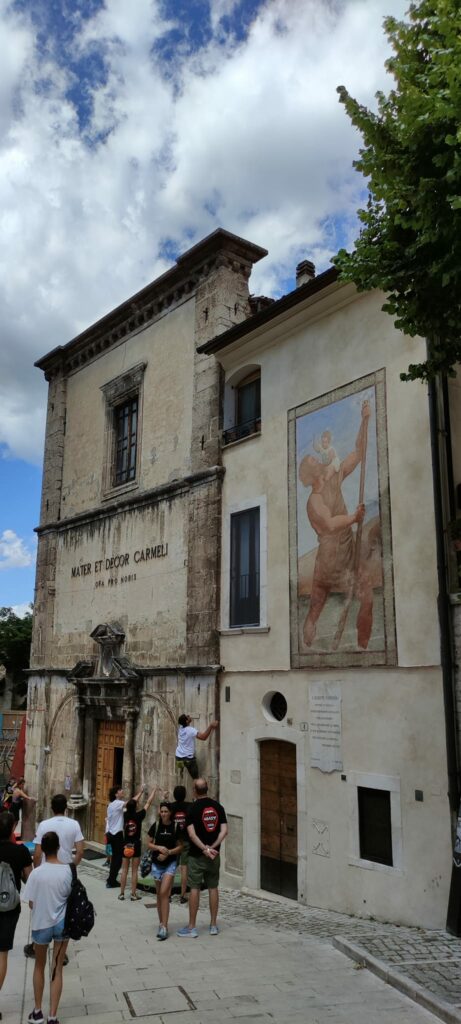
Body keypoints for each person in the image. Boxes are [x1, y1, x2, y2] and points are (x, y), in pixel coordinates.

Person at [299, 400, 373, 649]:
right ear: (313, 476)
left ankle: (363, 646)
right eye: (314, 462)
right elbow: (330, 525)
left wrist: (363, 421)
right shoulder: (314, 502)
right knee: (315, 609)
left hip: (347, 552)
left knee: (368, 599)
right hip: (329, 562)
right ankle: (309, 648)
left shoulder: (333, 479)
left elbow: (358, 453)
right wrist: (353, 517)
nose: (320, 462)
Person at [24, 794, 84, 961]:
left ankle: (37, 945)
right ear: (65, 807)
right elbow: (80, 851)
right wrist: (72, 867)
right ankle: (61, 950)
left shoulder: (44, 825)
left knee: (40, 906)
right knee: (66, 907)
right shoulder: (74, 824)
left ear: (52, 807)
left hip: (46, 869)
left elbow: (37, 854)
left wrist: (38, 870)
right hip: (65, 871)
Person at [22, 830, 72, 1024]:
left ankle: (37, 1012)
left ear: (42, 849)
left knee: (39, 966)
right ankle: (53, 1015)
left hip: (41, 924)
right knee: (57, 968)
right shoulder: (68, 870)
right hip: (62, 924)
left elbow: (31, 903)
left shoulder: (37, 873)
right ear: (58, 847)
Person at [177, 778, 228, 938]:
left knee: (194, 888)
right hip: (214, 856)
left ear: (194, 790)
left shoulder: (192, 809)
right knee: (213, 888)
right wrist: (212, 847)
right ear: (208, 788)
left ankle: (192, 927)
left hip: (197, 856)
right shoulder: (218, 807)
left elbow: (191, 834)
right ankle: (213, 925)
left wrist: (204, 849)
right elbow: (224, 831)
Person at [0, 810, 32, 1009]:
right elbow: (29, 878)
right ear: (13, 828)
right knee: (2, 954)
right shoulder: (20, 851)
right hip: (9, 908)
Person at [147, 802, 183, 941]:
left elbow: (180, 847)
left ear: (170, 813)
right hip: (156, 864)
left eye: (166, 811)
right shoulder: (156, 826)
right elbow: (148, 843)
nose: (163, 814)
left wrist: (169, 852)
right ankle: (161, 923)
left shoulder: (175, 827)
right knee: (159, 895)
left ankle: (165, 927)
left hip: (170, 864)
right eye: (161, 811)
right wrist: (158, 848)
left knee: (164, 893)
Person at [118, 787, 157, 902]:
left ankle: (121, 893)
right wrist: (153, 791)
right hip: (136, 845)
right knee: (134, 871)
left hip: (126, 845)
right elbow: (148, 803)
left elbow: (131, 802)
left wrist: (139, 792)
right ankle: (133, 894)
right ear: (135, 807)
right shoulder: (139, 815)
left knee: (124, 870)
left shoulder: (124, 815)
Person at [105, 784, 142, 889]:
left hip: (111, 834)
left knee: (115, 859)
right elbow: (131, 802)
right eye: (120, 790)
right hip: (117, 835)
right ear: (116, 794)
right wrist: (141, 792)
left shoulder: (111, 804)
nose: (122, 791)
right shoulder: (117, 803)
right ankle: (111, 881)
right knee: (118, 860)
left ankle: (111, 879)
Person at [175, 715, 218, 779]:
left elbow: (182, 721)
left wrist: (188, 719)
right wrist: (211, 726)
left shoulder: (181, 727)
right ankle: (195, 783)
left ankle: (181, 768)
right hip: (188, 759)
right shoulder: (191, 730)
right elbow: (203, 737)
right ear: (186, 721)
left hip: (178, 757)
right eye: (187, 716)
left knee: (182, 763)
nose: (189, 716)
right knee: (196, 779)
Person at [168, 784, 192, 903]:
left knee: (172, 867)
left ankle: (168, 894)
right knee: (184, 869)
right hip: (186, 840)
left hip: (175, 841)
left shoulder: (171, 807)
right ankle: (183, 895)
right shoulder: (189, 806)